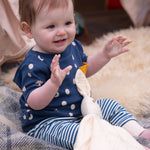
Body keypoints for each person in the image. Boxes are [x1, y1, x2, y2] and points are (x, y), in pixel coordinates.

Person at [13, 0, 150, 149]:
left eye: (67, 23)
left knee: (110, 105)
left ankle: (140, 133)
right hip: (49, 123)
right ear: (29, 30)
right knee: (85, 134)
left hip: (81, 110)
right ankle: (118, 145)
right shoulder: (32, 64)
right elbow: (34, 102)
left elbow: (83, 70)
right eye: (51, 26)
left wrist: (104, 55)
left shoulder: (71, 46)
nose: (61, 32)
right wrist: (53, 84)